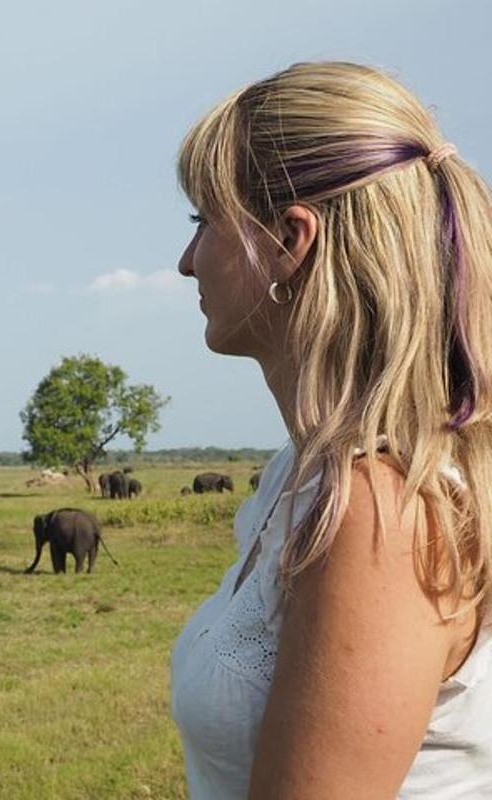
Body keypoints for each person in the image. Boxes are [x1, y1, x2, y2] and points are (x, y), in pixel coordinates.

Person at [169, 61, 492, 799]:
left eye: (203, 223)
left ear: (289, 240)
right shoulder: (300, 473)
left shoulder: (380, 510)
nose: (187, 262)